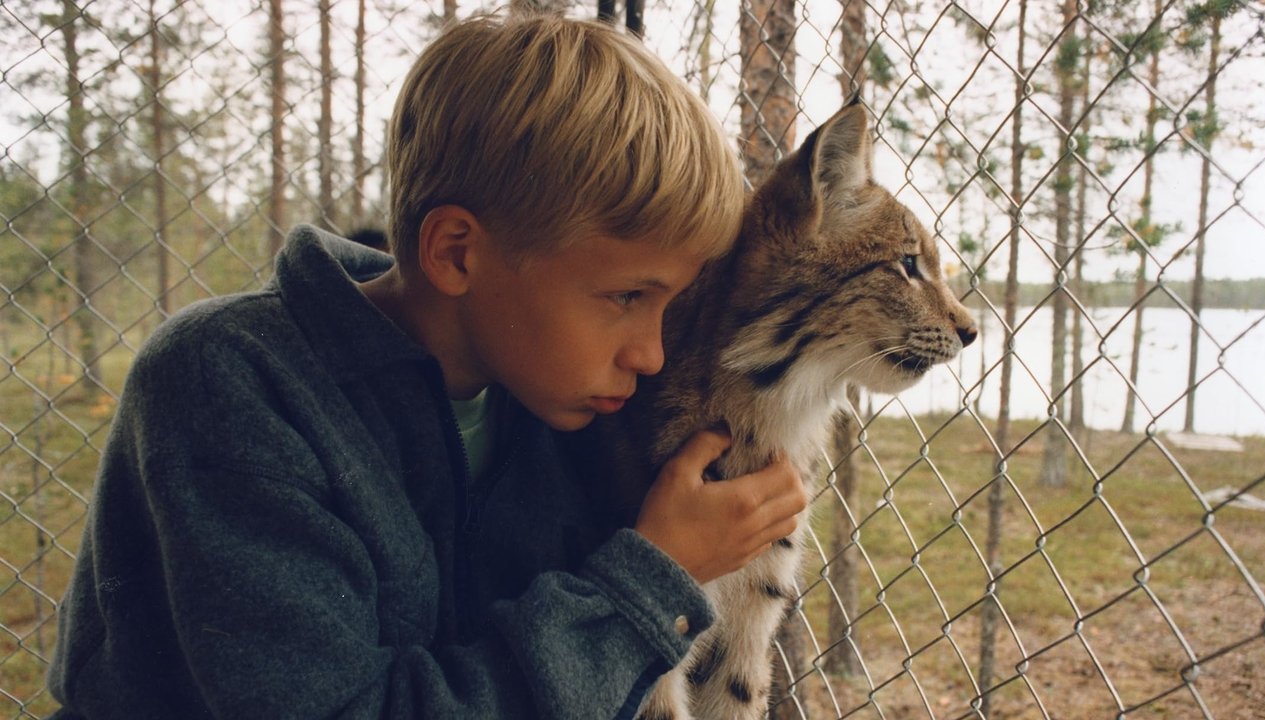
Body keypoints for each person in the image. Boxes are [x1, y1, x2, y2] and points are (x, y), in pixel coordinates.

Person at [45, 13, 806, 720]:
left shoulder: (553, 405)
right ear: (456, 252)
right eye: (626, 297)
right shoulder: (232, 388)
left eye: (669, 307)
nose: (652, 353)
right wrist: (652, 581)